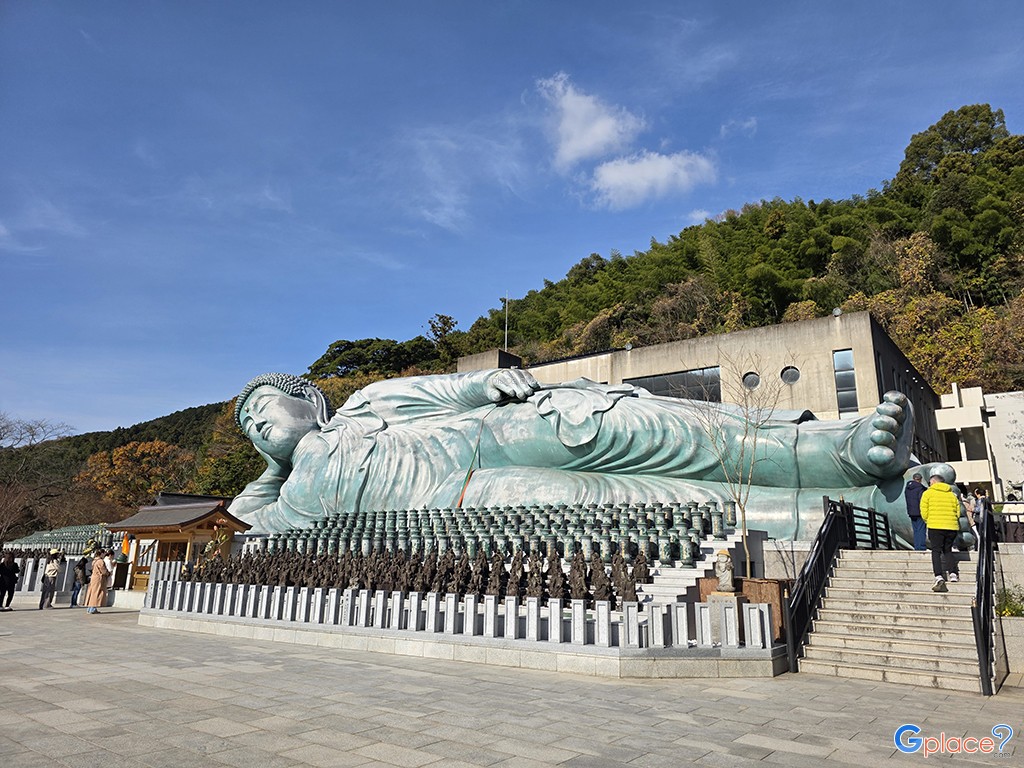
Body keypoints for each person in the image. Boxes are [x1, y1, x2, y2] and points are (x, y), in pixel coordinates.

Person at [228, 369, 929, 541]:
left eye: (264, 408)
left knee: (647, 432)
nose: (258, 425)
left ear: (310, 398)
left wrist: (483, 384)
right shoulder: (288, 499)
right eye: (250, 430)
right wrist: (276, 467)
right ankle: (868, 508)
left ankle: (833, 448)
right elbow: (243, 526)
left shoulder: (367, 406)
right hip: (470, 502)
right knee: (644, 506)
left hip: (491, 433)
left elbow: (442, 389)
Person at [921, 473, 961, 592]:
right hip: (951, 527)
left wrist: (928, 520)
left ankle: (939, 576)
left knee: (936, 550)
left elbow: (924, 511)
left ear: (933, 482)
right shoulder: (952, 495)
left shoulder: (927, 493)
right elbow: (958, 512)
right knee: (948, 550)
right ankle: (953, 574)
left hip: (935, 525)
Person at [904, 472, 927, 551]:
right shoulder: (920, 488)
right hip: (919, 512)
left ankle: (917, 546)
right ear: (920, 480)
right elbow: (922, 500)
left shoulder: (907, 488)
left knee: (916, 530)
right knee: (921, 530)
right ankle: (921, 547)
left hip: (911, 512)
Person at [84, 550, 110, 614]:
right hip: (98, 578)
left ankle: (90, 608)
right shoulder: (100, 561)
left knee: (92, 592)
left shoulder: (94, 560)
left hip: (93, 577)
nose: (104, 555)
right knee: (96, 593)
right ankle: (93, 608)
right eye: (104, 554)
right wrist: (108, 573)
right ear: (101, 554)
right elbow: (103, 571)